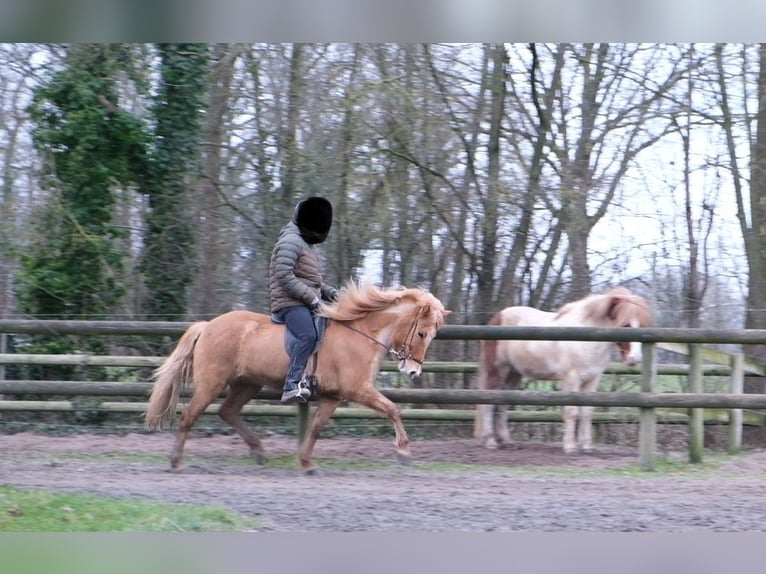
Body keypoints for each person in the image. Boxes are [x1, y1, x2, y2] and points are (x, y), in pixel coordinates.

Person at [269, 196, 339, 404]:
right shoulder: (290, 241)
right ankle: (291, 385)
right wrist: (313, 299)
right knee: (307, 335)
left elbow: (313, 283)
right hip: (288, 303)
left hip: (304, 301)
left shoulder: (307, 246)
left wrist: (332, 294)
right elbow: (284, 275)